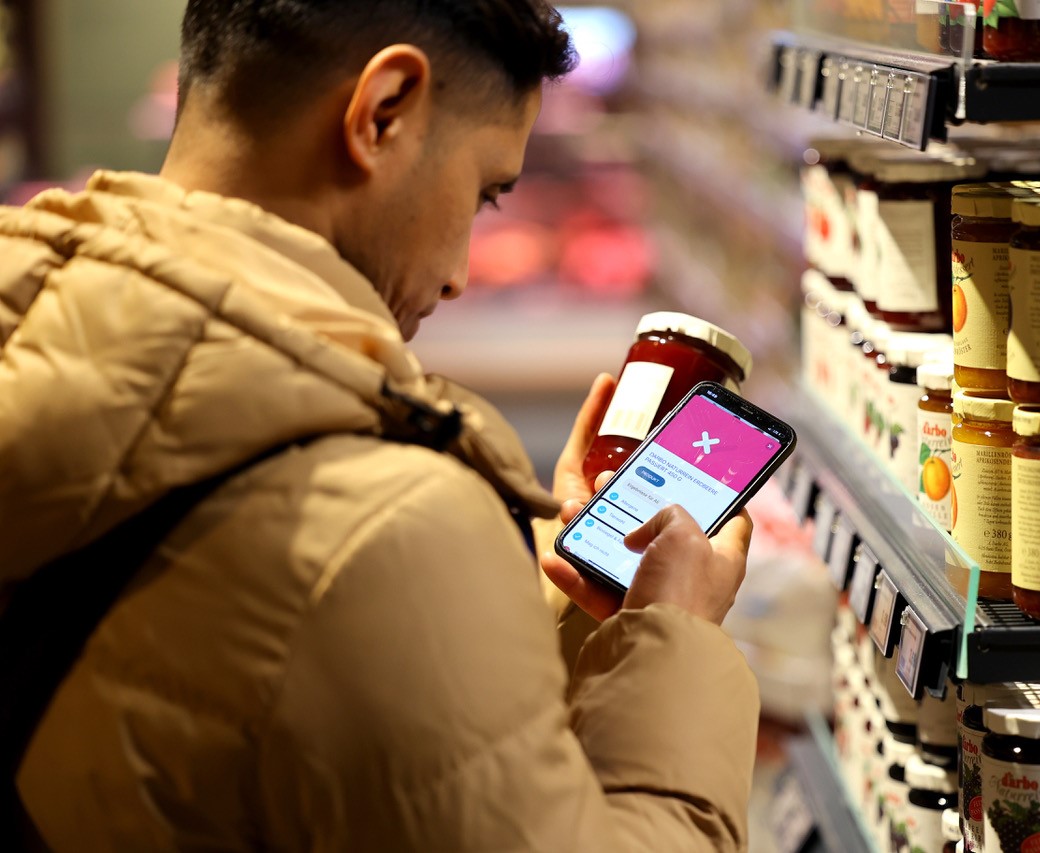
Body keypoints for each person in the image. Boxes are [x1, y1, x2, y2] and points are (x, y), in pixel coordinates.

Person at [0, 1, 761, 849]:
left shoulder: (42, 324)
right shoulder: (383, 526)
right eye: (483, 193)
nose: (459, 275)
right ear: (383, 110)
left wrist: (548, 606)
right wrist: (674, 640)